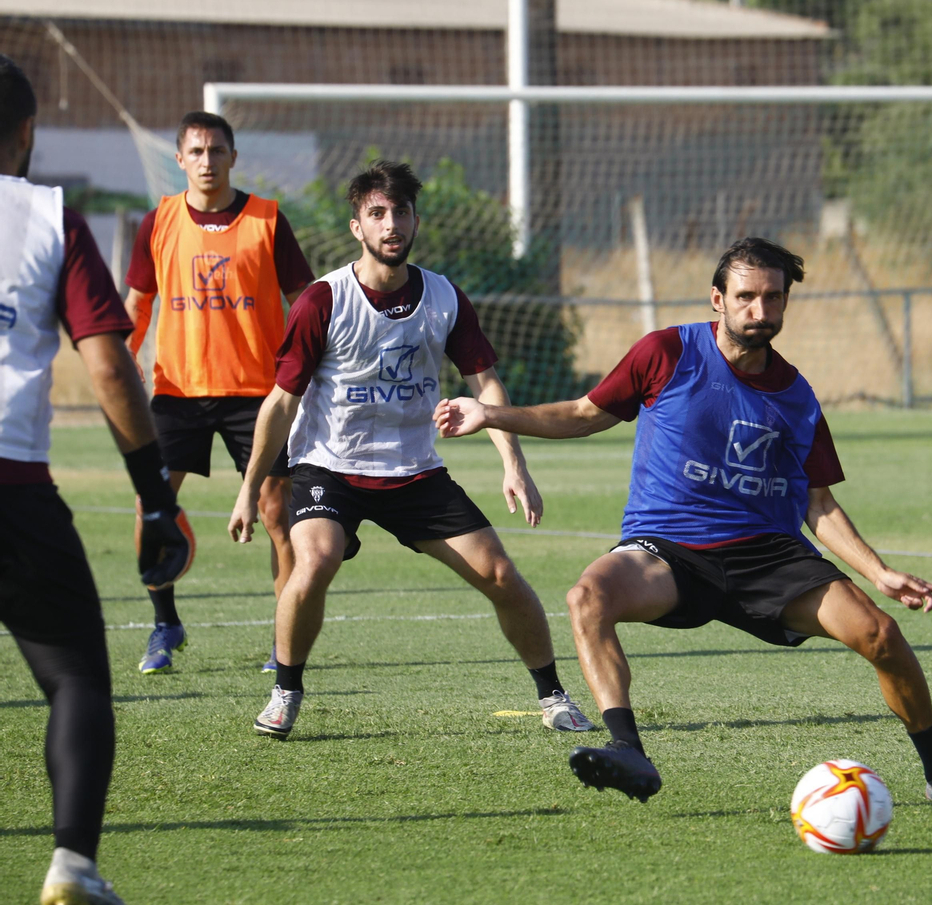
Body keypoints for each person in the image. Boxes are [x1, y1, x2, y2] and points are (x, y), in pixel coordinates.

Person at [433, 237, 932, 806]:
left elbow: (818, 503)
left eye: (773, 298)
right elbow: (583, 415)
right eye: (747, 297)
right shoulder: (665, 352)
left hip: (768, 557)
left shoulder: (796, 396)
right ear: (717, 299)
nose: (761, 311)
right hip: (668, 550)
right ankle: (629, 750)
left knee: (881, 635)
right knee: (588, 596)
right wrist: (489, 413)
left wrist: (880, 574)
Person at [226, 160, 591, 740]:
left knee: (500, 574)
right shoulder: (323, 301)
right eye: (377, 214)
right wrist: (249, 490)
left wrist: (513, 464)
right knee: (314, 561)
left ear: (415, 220)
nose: (390, 224)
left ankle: (553, 696)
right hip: (330, 467)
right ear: (357, 228)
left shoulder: (444, 298)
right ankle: (286, 691)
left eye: (400, 212)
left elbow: (485, 382)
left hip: (414, 472)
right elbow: (278, 404)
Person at [1, 54, 192, 904]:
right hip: (14, 494)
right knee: (75, 677)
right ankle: (72, 865)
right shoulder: (47, 216)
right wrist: (155, 498)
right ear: (29, 132)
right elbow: (111, 369)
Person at [124, 111, 315, 675]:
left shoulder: (268, 220)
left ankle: (283, 641)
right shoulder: (157, 221)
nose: (207, 162)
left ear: (234, 158)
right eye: (197, 152)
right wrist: (127, 355)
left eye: (217, 151)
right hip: (177, 391)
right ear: (179, 159)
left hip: (258, 394)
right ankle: (165, 626)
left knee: (278, 513)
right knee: (150, 505)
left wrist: (306, 367)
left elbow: (305, 299)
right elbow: (136, 302)